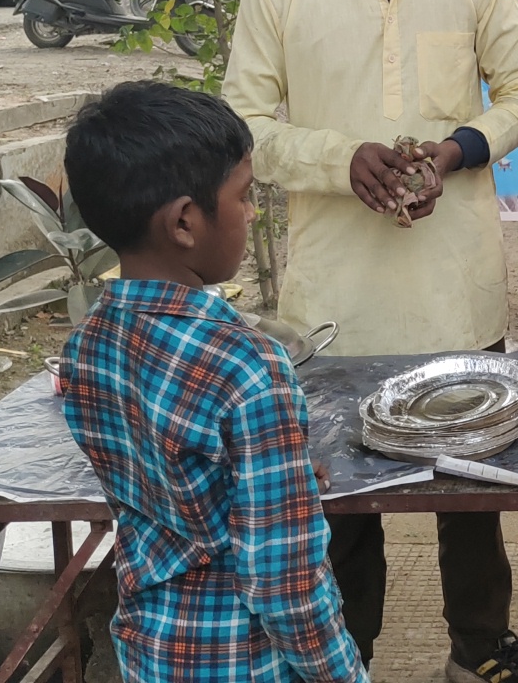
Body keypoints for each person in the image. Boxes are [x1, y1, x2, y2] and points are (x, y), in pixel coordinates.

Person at [223, 0, 518, 683]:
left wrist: (454, 150)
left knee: (474, 492)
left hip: (457, 285)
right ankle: (345, 657)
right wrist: (344, 159)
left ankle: (479, 648)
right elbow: (241, 128)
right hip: (336, 300)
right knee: (337, 500)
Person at [56, 81, 366, 683]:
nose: (251, 213)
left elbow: (163, 478)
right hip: (249, 661)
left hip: (153, 647)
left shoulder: (87, 346)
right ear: (184, 223)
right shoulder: (250, 370)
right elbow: (286, 590)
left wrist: (274, 472)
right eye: (243, 196)